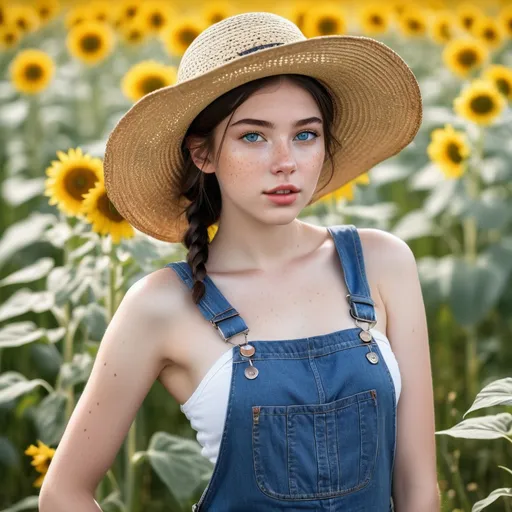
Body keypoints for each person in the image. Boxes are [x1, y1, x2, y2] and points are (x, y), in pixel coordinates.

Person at [39, 11, 440, 512]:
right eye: (253, 136)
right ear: (203, 154)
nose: (286, 161)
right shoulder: (162, 305)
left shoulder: (383, 263)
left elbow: (420, 488)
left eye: (305, 134)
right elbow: (62, 493)